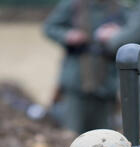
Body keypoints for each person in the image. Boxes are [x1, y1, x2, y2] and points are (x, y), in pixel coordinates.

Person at [43, 0, 130, 134]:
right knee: (71, 132)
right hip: (76, 81)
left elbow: (134, 33)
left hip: (107, 83)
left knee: (105, 136)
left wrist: (117, 33)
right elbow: (50, 27)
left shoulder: (121, 8)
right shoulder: (72, 4)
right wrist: (67, 35)